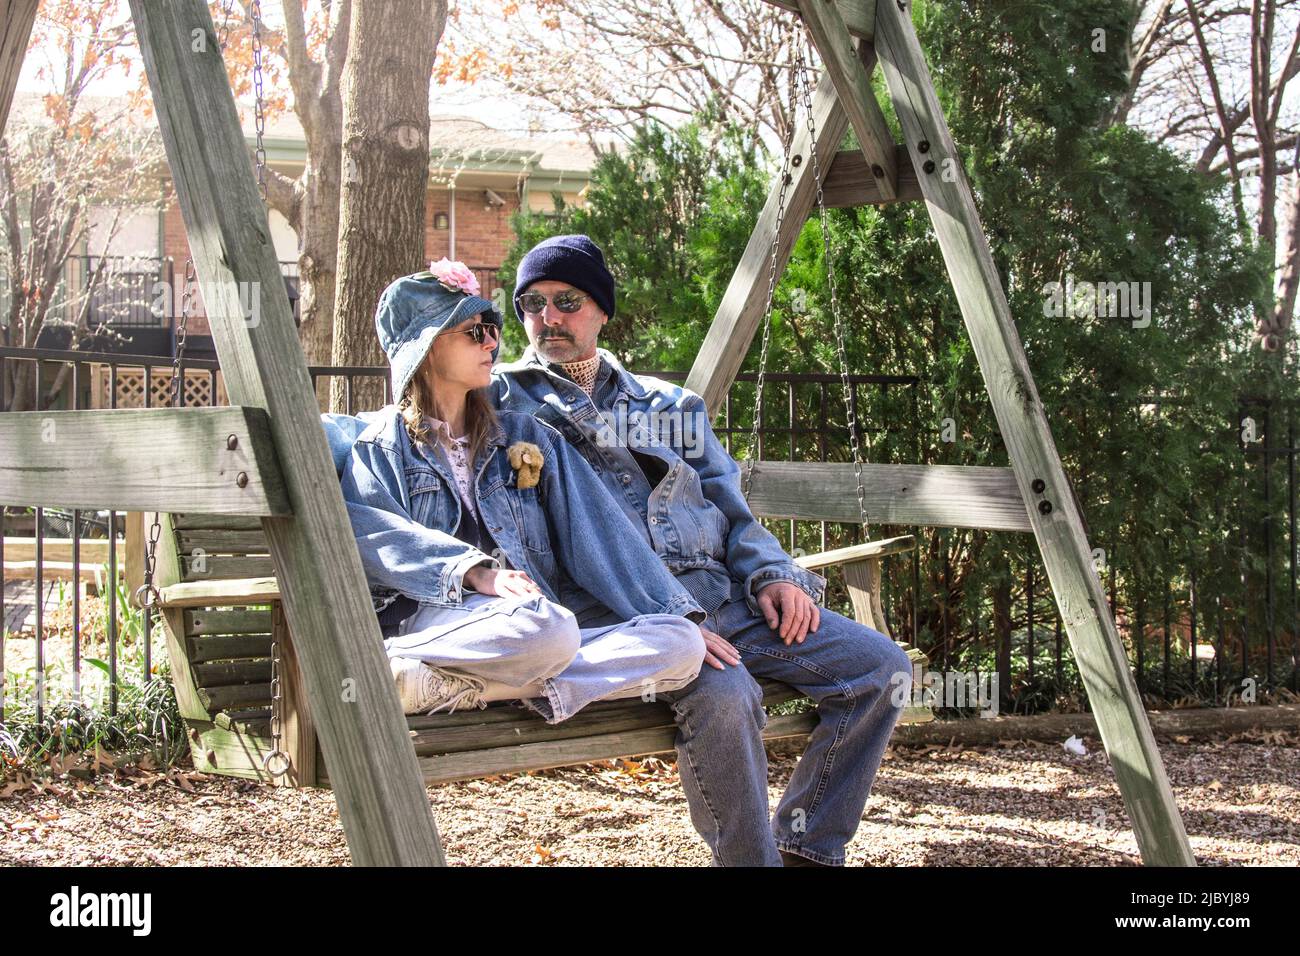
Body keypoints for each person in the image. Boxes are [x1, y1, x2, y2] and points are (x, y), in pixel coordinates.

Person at [490, 235, 914, 866]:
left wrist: (772, 574)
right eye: (533, 303)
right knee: (726, 696)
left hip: (725, 596)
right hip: (628, 617)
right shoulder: (503, 403)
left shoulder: (671, 405)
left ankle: (808, 850)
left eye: (567, 301)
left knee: (882, 669)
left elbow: (729, 508)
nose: (548, 318)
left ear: (602, 309)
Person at [331, 260, 706, 723]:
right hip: (435, 618)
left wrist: (673, 611)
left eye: (490, 327)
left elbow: (599, 532)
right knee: (546, 627)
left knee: (680, 645)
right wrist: (473, 572)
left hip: (528, 628)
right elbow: (371, 535)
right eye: (473, 332)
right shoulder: (384, 447)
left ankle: (473, 688)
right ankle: (397, 662)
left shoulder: (526, 435)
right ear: (426, 349)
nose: (492, 341)